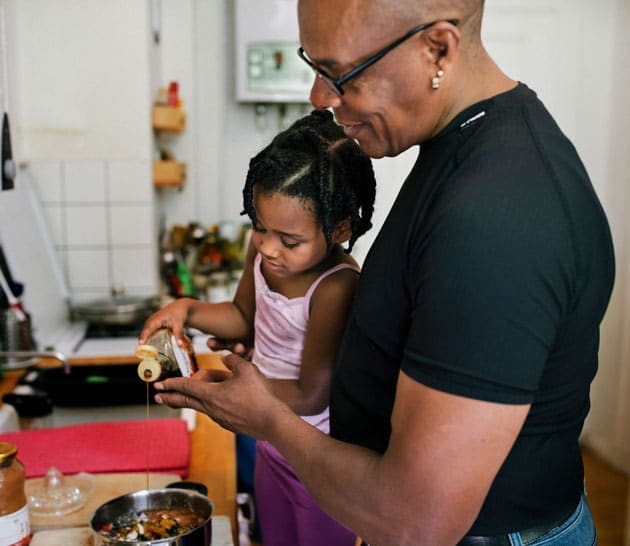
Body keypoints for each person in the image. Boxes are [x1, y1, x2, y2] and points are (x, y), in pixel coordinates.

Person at [151, 1, 616, 544]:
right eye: (313, 67)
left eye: (339, 74)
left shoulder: (495, 216)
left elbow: (417, 520)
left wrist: (269, 419)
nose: (319, 98)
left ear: (437, 49)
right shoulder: (465, 144)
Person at [140, 109, 376, 546]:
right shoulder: (264, 251)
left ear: (340, 228)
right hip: (268, 440)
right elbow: (241, 318)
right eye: (260, 227)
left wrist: (228, 390)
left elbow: (311, 394)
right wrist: (186, 310)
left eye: (289, 241)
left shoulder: (336, 287)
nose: (268, 247)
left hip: (316, 459)